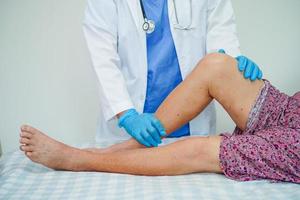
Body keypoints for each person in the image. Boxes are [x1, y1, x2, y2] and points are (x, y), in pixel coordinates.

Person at [19, 53, 299, 183]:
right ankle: (123, 149)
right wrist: (126, 113)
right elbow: (101, 51)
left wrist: (228, 45)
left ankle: (79, 159)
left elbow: (218, 22)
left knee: (203, 148)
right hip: (293, 111)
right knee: (216, 66)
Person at [83, 0, 263, 147]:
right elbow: (102, 59)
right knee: (116, 162)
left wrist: (231, 63)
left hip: (191, 132)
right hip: (128, 131)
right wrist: (126, 114)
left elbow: (221, 34)